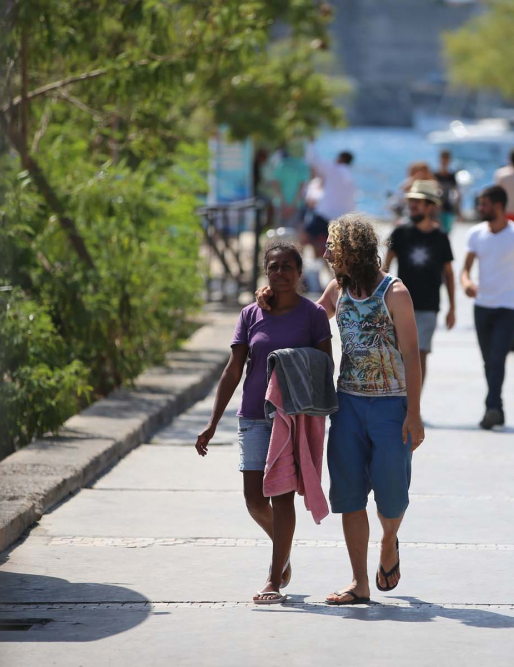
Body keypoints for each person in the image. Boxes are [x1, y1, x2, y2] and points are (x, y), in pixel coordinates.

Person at [256, 215, 425, 606]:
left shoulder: (394, 292)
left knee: (392, 495)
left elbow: (412, 353)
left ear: (354, 249)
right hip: (346, 405)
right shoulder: (338, 289)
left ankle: (388, 540)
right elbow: (306, 319)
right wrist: (272, 297)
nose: (328, 253)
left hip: (391, 406)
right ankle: (359, 582)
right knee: (348, 496)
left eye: (334, 246)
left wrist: (413, 413)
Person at [194, 242, 332, 604]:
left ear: (300, 273)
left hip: (290, 419)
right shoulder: (251, 314)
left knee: (281, 497)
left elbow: (324, 368)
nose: (281, 273)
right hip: (253, 415)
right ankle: (282, 550)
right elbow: (233, 369)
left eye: (288, 267)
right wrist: (212, 422)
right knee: (254, 499)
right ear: (265, 272)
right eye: (274, 267)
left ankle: (273, 578)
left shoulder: (313, 315)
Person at [460, 185, 514, 430]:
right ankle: (498, 408)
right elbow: (465, 269)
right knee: (487, 361)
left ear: (499, 206)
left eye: (484, 204)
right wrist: (467, 283)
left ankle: (491, 408)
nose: (480, 208)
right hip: (483, 305)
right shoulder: (475, 234)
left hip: (508, 306)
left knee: (497, 359)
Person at [383, 180, 456, 388]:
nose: (412, 205)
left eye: (418, 202)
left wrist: (452, 308)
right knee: (398, 354)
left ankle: (414, 406)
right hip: (399, 306)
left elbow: (448, 274)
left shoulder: (441, 237)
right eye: (411, 201)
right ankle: (400, 401)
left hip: (428, 306)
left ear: (429, 206)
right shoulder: (400, 233)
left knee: (419, 354)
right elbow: (385, 268)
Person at [306, 149, 356, 257]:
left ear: (340, 159)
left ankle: (318, 261)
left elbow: (315, 160)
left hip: (326, 215)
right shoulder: (350, 176)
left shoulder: (335, 169)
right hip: (342, 218)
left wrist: (310, 144)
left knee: (306, 235)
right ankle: (324, 265)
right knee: (331, 246)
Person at [271, 146, 311, 228]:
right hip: (296, 206)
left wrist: (283, 203)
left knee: (279, 232)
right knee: (292, 234)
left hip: (281, 204)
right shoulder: (303, 166)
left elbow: (275, 184)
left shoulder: (280, 164)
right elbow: (302, 187)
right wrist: (292, 205)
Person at [434, 150, 459, 234]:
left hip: (448, 207)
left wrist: (458, 209)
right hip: (436, 209)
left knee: (446, 232)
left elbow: (456, 193)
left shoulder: (452, 176)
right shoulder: (435, 175)